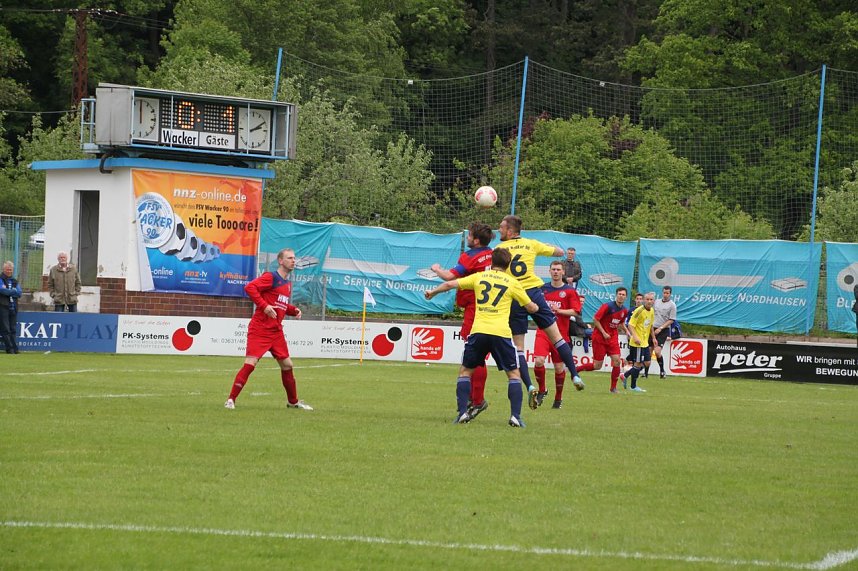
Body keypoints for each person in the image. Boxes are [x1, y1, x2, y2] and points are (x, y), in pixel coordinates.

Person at [425, 248, 539, 428]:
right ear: (508, 265)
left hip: (479, 331)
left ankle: (462, 413)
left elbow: (449, 284)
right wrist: (536, 308)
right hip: (501, 333)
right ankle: (515, 417)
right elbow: (531, 307)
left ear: (491, 262)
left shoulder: (479, 277)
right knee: (514, 375)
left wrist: (432, 293)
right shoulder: (512, 282)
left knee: (465, 372)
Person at [495, 215, 584, 408]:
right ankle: (575, 376)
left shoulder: (499, 250)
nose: (499, 230)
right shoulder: (531, 244)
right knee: (557, 337)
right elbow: (559, 251)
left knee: (519, 347)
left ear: (510, 231)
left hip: (515, 297)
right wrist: (543, 248)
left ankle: (528, 386)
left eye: (501, 227)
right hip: (534, 293)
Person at [225, 247, 313, 411]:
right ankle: (231, 400)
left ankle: (293, 402)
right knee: (251, 363)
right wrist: (264, 306)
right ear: (280, 261)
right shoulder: (270, 277)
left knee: (287, 365)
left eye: (294, 258)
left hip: (276, 331)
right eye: (289, 258)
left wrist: (293, 310)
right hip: (260, 328)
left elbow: (280, 304)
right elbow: (250, 288)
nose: (293, 260)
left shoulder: (286, 284)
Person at [430, 222, 493, 419]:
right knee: (480, 355)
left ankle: (477, 400)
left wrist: (437, 269)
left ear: (475, 240)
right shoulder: (492, 253)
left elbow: (449, 276)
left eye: (469, 236)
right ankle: (474, 399)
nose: (467, 239)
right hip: (492, 308)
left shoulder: (471, 256)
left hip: (475, 308)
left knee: (475, 356)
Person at [533, 261, 582, 409]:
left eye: (558, 270)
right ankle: (542, 390)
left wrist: (559, 311)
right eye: (553, 269)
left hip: (560, 335)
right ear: (549, 271)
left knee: (559, 368)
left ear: (563, 272)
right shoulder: (542, 289)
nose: (555, 272)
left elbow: (576, 311)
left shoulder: (569, 291)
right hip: (543, 332)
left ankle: (558, 399)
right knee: (539, 361)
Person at [576, 287, 631, 393]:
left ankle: (613, 388)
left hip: (612, 338)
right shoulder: (607, 306)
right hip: (600, 338)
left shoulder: (624, 310)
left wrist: (627, 331)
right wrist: (604, 332)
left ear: (626, 297)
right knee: (597, 366)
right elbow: (595, 319)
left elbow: (621, 322)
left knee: (616, 361)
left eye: (623, 295)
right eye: (619, 294)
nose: (621, 296)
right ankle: (577, 369)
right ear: (616, 295)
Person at [625, 292, 656, 393]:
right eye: (647, 299)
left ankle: (625, 375)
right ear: (644, 300)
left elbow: (650, 325)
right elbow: (630, 325)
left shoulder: (651, 311)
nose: (649, 301)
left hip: (645, 342)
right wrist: (635, 337)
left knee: (647, 362)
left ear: (654, 301)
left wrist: (654, 338)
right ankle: (633, 386)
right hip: (637, 343)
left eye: (651, 299)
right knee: (638, 364)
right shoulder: (639, 311)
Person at [652, 285, 677, 378]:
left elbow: (671, 320)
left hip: (663, 330)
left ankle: (662, 370)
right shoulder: (656, 302)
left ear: (670, 294)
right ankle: (645, 374)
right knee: (649, 351)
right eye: (664, 293)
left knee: (657, 351)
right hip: (652, 329)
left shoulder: (672, 305)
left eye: (667, 293)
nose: (665, 295)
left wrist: (661, 328)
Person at [624, 292, 649, 378]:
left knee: (642, 360)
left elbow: (649, 324)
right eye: (637, 299)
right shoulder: (632, 310)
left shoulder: (647, 310)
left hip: (643, 338)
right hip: (634, 337)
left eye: (640, 299)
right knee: (636, 357)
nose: (638, 301)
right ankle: (631, 373)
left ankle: (630, 372)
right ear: (635, 300)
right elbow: (628, 323)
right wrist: (628, 332)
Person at [0, 261, 21, 354]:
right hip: (3, 306)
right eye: (7, 269)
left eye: (10, 269)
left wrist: (8, 291)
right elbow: (2, 291)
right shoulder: (0, 279)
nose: (9, 271)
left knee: (13, 329)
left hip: (13, 307)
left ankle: (14, 348)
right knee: (5, 329)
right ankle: (9, 349)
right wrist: (13, 291)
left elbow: (19, 293)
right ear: (3, 270)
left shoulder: (14, 280)